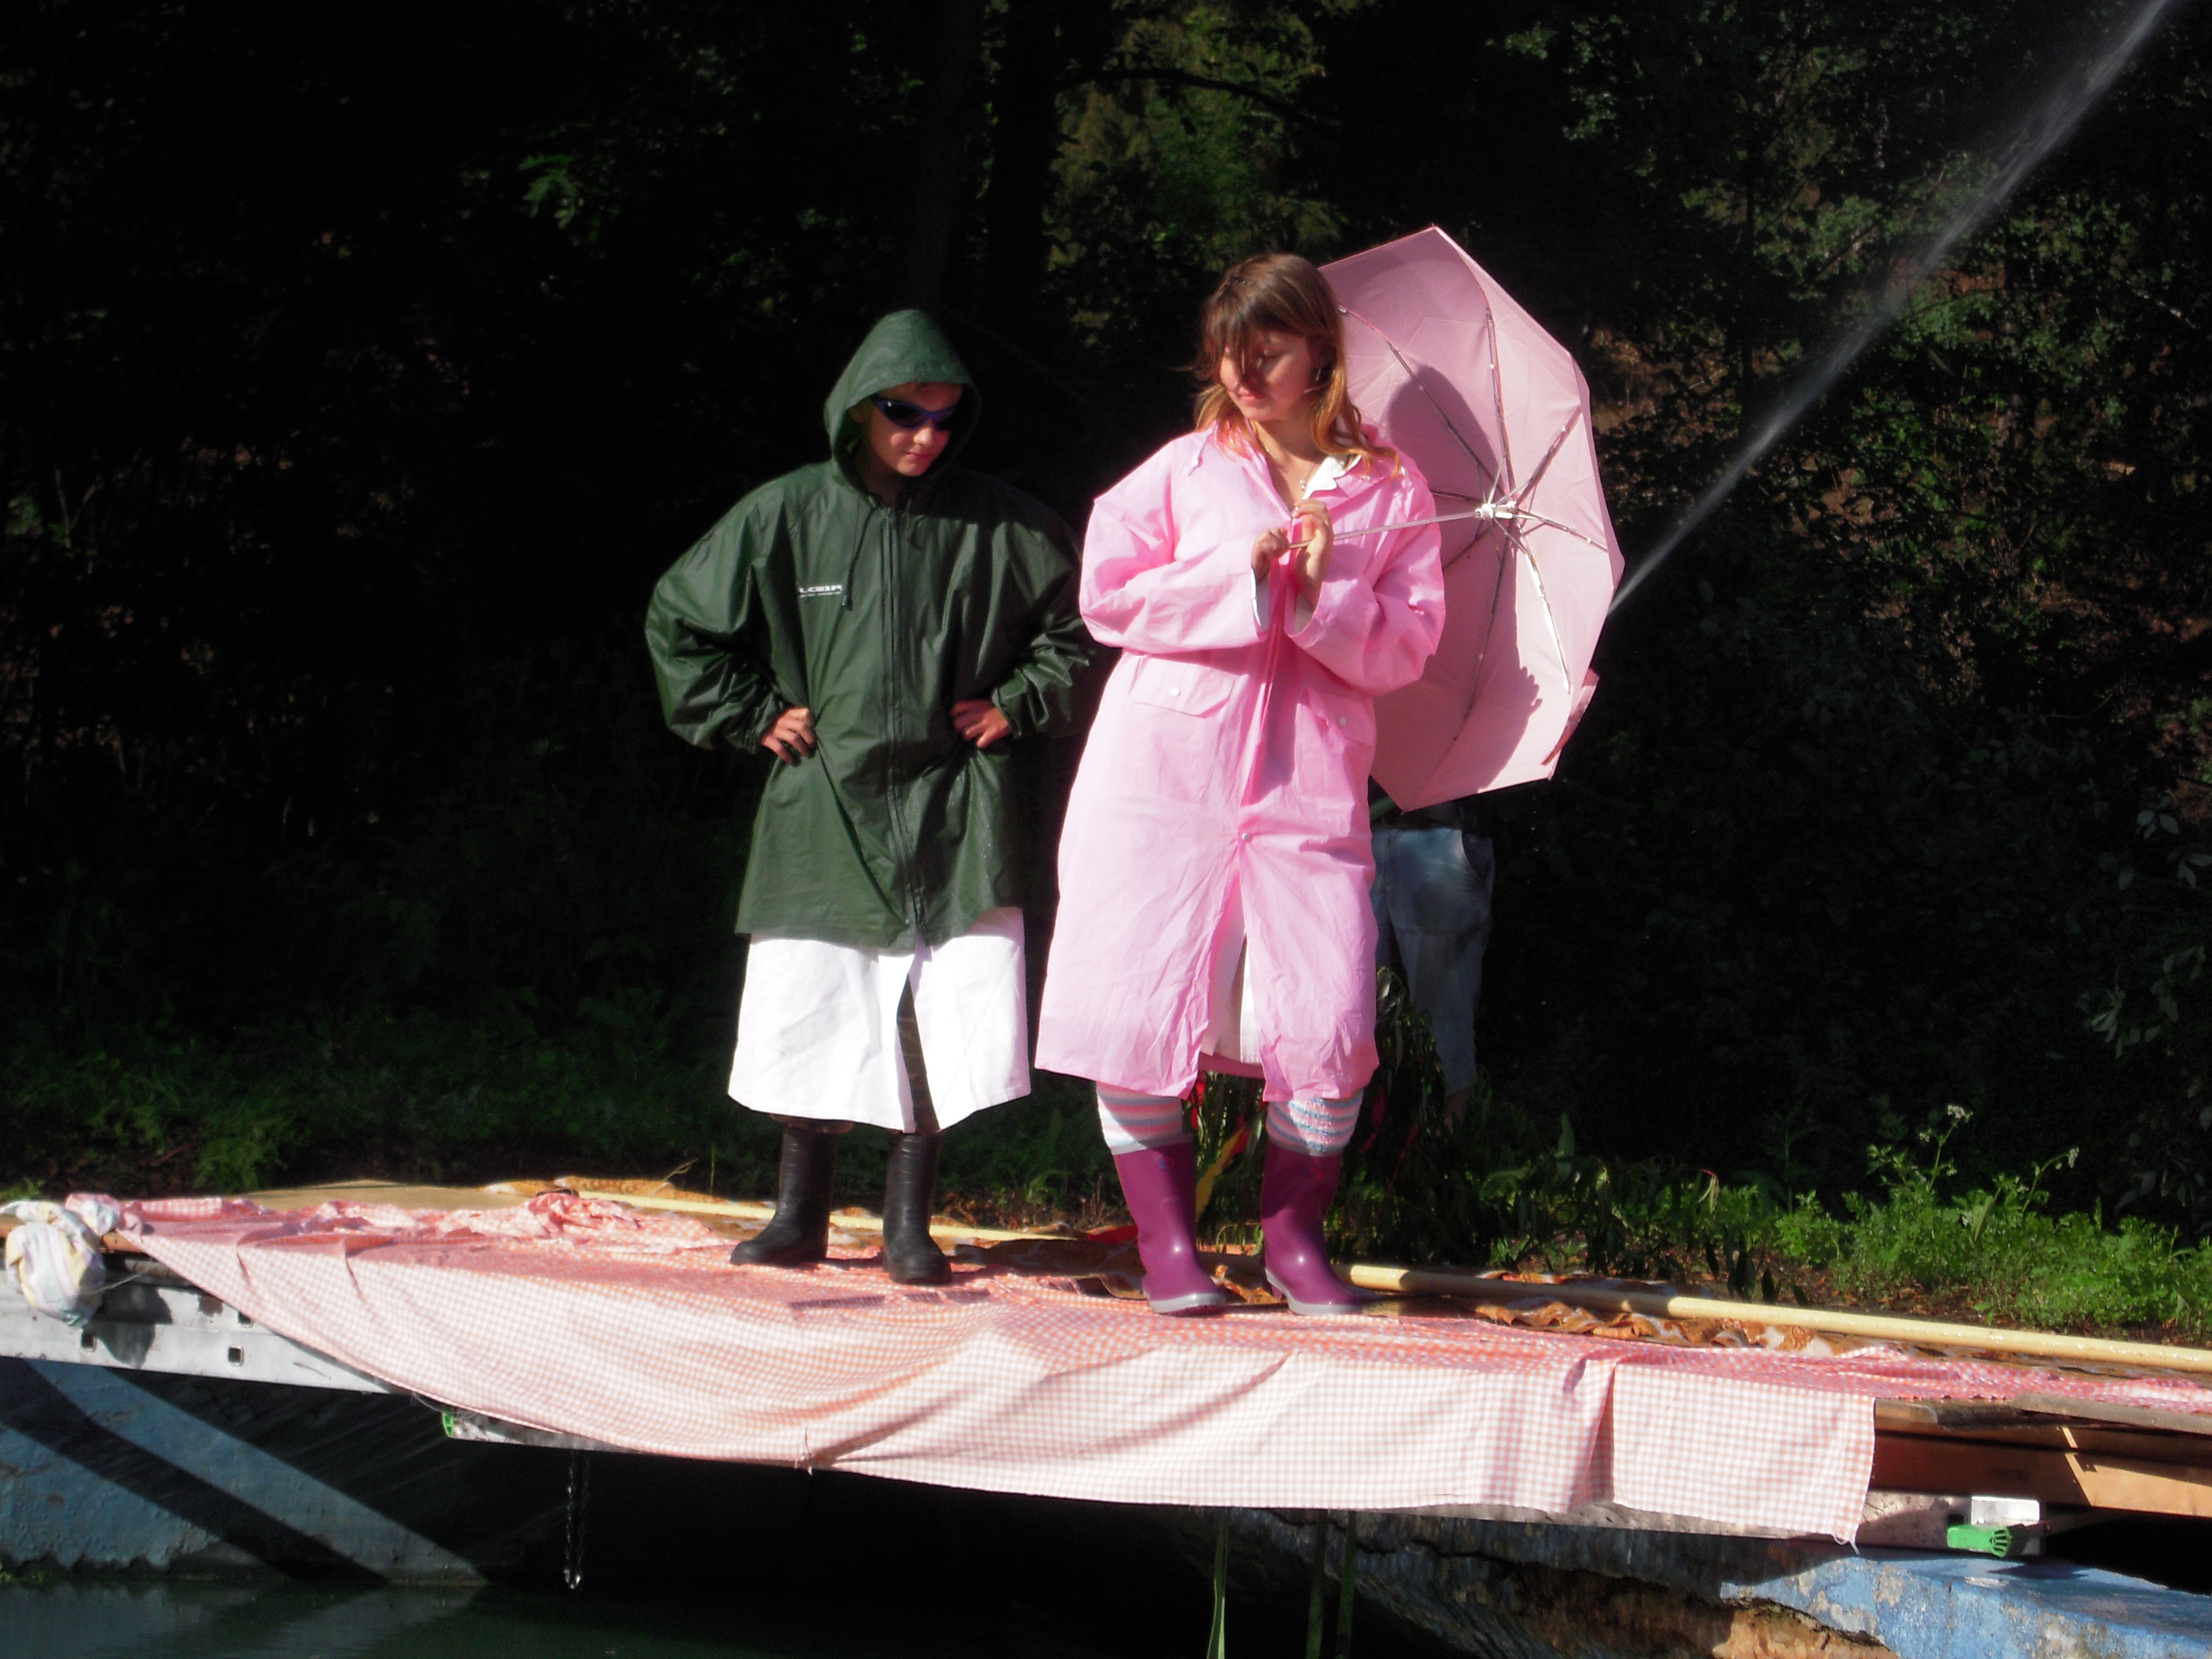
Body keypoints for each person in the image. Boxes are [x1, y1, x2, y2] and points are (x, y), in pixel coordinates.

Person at [1036, 254, 1445, 1316]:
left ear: (1319, 351)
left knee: (1326, 1020)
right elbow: (1107, 595)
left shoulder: (1390, 487)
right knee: (1136, 1002)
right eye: (1228, 352)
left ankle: (1292, 1247)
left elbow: (1409, 644)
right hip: (1159, 778)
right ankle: (1169, 1249)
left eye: (1267, 351)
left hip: (1307, 785)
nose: (1244, 373)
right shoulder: (1184, 469)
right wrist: (1238, 577)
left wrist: (1317, 597)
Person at [646, 310, 1091, 1284]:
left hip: (955, 806)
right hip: (824, 802)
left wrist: (1016, 703)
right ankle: (797, 1218)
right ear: (859, 409)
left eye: (946, 417)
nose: (926, 435)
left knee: (939, 1011)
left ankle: (907, 1227)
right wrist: (751, 712)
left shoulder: (1004, 524)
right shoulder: (787, 513)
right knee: (812, 1002)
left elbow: (1084, 627)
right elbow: (679, 618)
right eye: (904, 413)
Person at [1369, 785, 1494, 1124]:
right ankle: (1363, 1143)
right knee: (1351, 1007)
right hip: (1364, 828)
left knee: (1444, 1015)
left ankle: (1444, 1146)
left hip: (1444, 829)